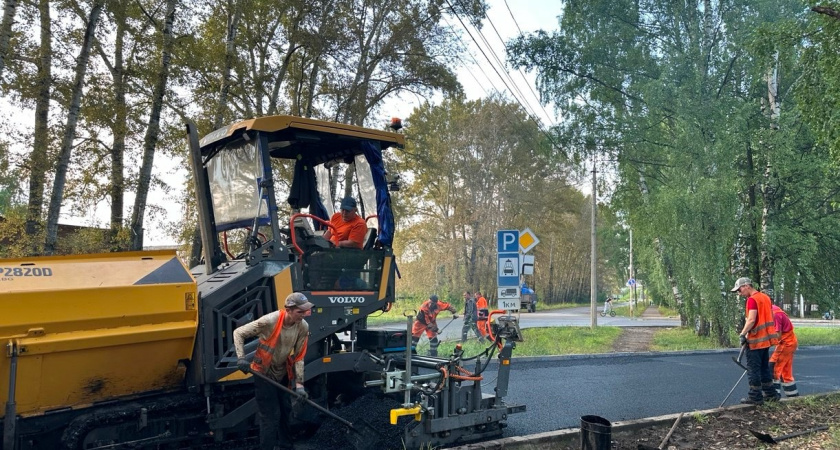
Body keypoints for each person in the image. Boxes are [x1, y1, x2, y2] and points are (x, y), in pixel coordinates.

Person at [234, 293, 313, 450]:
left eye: (305, 311)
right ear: (288, 310)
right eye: (300, 312)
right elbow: (239, 333)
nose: (304, 315)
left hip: (282, 372)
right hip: (263, 374)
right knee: (271, 416)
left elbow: (299, 357)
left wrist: (300, 386)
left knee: (285, 411)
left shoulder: (303, 326)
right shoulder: (270, 320)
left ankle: (286, 446)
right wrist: (241, 358)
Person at [731, 277, 780, 405]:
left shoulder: (752, 300)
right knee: (764, 368)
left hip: (755, 340)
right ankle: (771, 394)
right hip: (766, 340)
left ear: (747, 286)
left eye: (740, 289)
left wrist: (743, 334)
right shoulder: (765, 297)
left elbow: (751, 320)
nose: (739, 293)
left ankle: (755, 397)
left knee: (753, 369)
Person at [770, 304, 798, 397]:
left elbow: (777, 335)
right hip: (790, 341)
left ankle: (773, 397)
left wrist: (765, 342)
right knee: (785, 371)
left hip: (785, 343)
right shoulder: (774, 309)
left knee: (773, 367)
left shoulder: (775, 314)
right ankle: (793, 397)